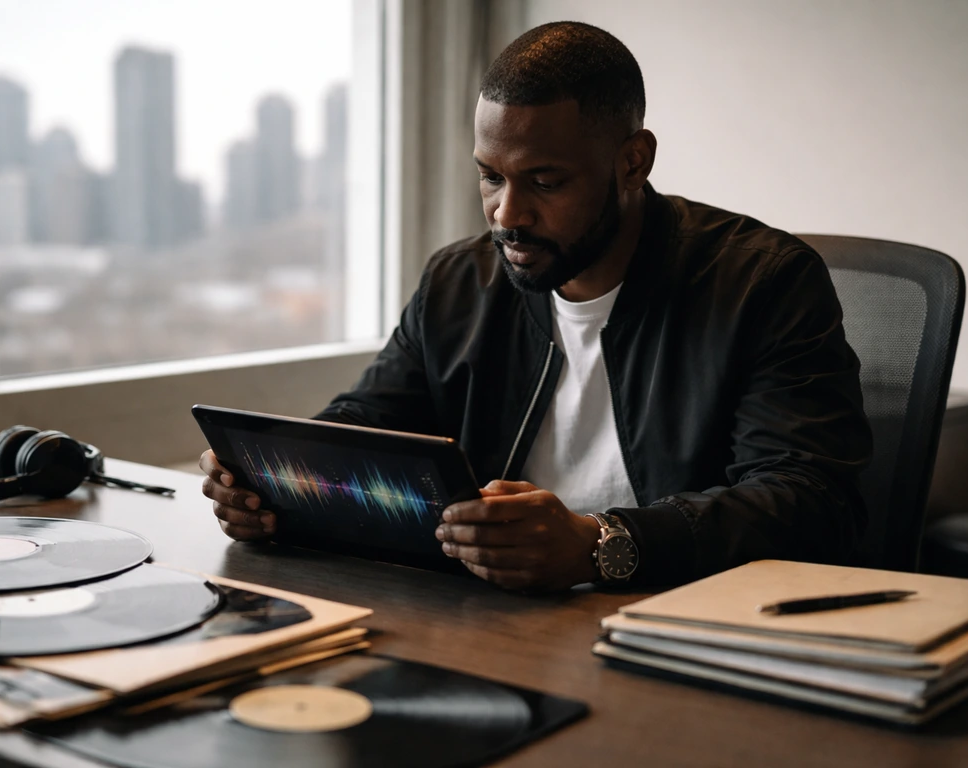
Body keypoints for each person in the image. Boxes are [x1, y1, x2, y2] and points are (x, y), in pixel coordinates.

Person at [201, 21, 872, 592]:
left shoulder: (763, 283)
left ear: (633, 162)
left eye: (545, 182)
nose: (507, 214)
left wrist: (600, 544)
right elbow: (368, 423)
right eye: (491, 177)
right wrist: (272, 483)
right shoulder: (459, 282)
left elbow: (809, 499)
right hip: (492, 618)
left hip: (680, 625)